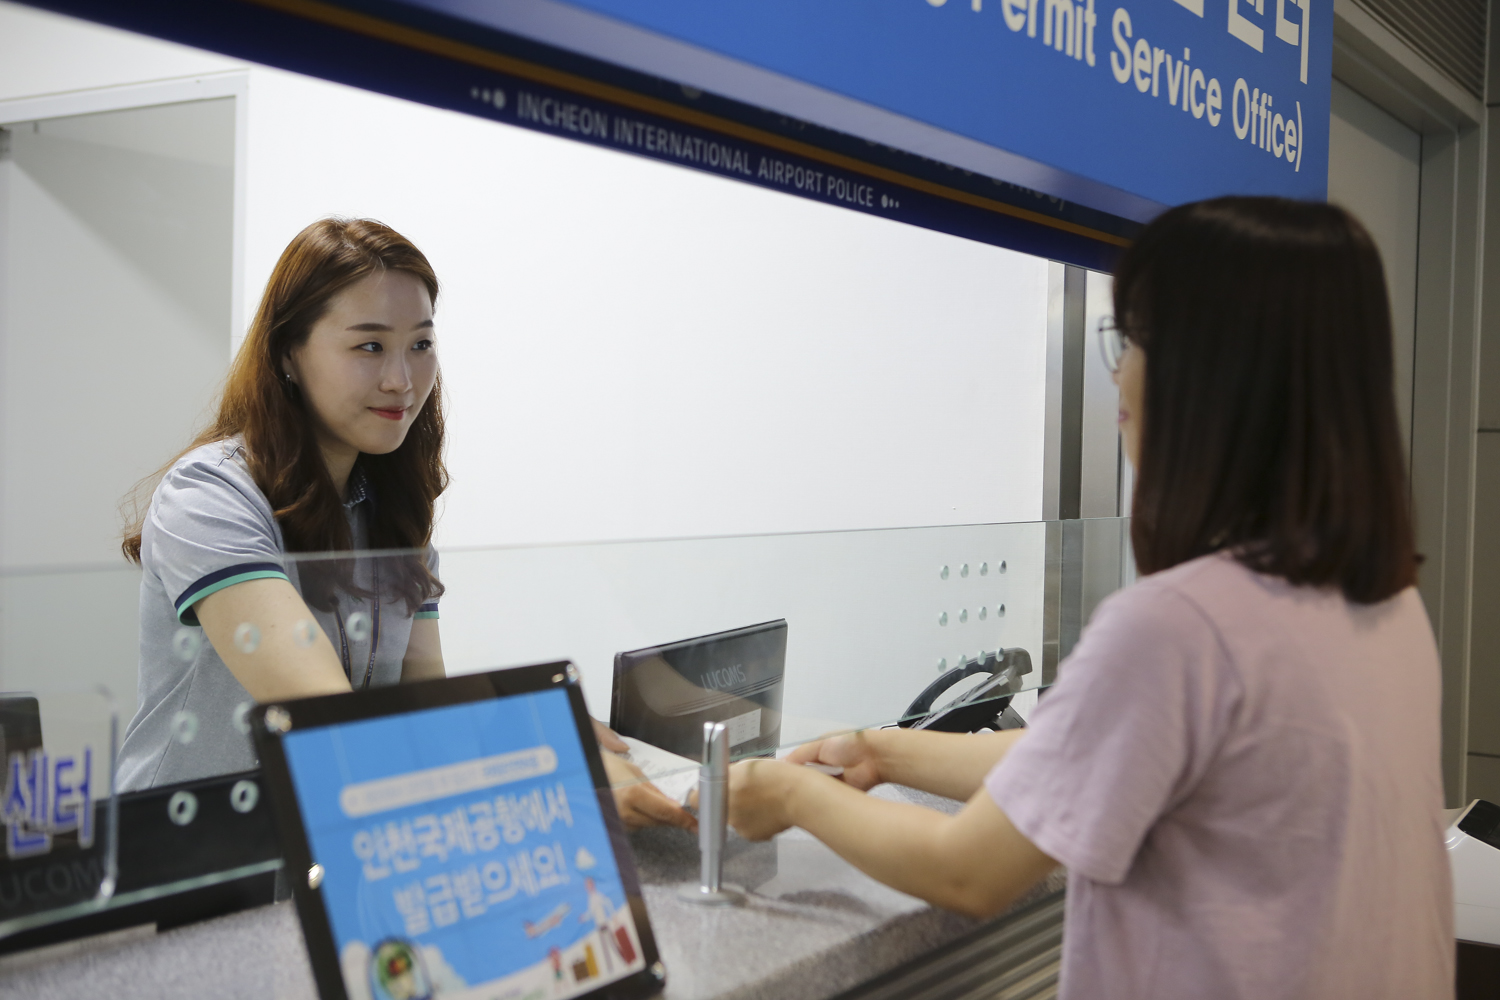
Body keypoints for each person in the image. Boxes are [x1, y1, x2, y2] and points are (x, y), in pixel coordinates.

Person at [726, 197, 1454, 998]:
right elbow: (1090, 761)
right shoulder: (1383, 606)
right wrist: (882, 752)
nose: (1121, 372)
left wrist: (789, 794)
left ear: (1211, 375)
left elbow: (967, 870)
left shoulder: (1180, 627)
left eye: (1135, 338)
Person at [116, 218, 694, 831]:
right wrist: (533, 739)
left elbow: (424, 710)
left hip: (330, 839)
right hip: (185, 857)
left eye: (420, 344)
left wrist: (550, 732)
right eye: (369, 346)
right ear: (289, 353)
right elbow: (324, 716)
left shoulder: (389, 511)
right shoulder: (209, 498)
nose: (402, 379)